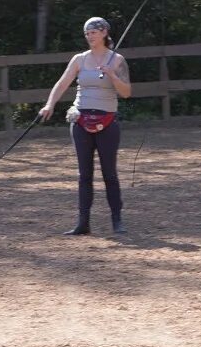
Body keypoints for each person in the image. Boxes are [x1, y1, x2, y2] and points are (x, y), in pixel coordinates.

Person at [39, 16, 132, 235]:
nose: (90, 36)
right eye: (87, 33)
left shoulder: (117, 61)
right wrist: (49, 104)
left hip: (107, 121)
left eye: (93, 32)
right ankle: (83, 222)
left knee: (109, 173)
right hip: (81, 120)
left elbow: (126, 93)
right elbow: (62, 83)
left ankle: (117, 220)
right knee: (84, 174)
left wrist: (112, 76)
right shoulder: (79, 60)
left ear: (104, 33)